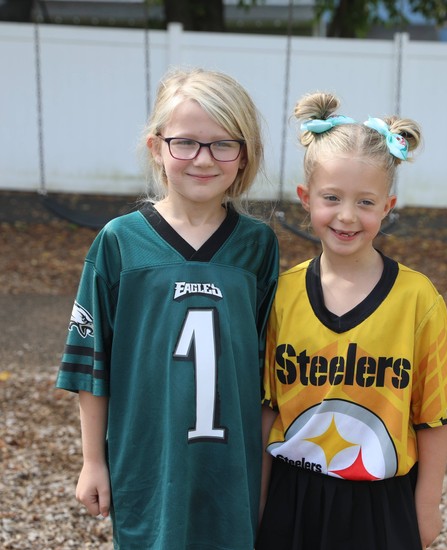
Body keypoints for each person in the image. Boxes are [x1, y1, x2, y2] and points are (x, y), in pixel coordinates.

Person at [55, 67, 279, 550]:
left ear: (244, 156)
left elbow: (266, 372)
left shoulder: (257, 246)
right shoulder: (119, 242)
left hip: (231, 467)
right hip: (147, 465)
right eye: (186, 143)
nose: (203, 159)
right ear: (157, 146)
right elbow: (92, 362)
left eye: (223, 144)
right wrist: (93, 460)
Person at [256, 91, 447, 550]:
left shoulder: (418, 299)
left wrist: (427, 506)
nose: (347, 216)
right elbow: (268, 405)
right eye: (332, 198)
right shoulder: (283, 295)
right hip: (294, 494)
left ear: (387, 207)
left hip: (382, 501)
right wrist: (260, 496)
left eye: (366, 202)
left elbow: (434, 417)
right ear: (306, 199)